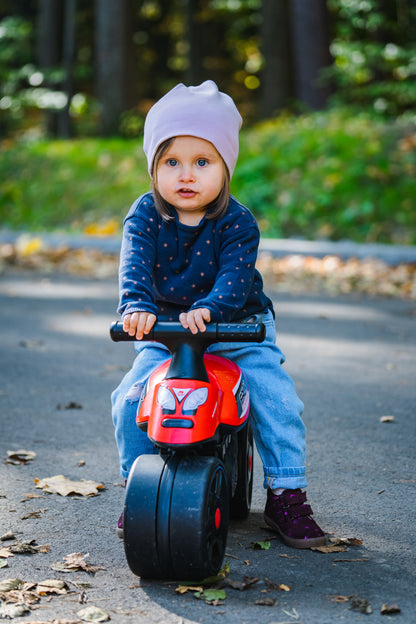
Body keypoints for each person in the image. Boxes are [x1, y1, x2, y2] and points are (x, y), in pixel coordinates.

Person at [111, 80, 326, 549]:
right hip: (167, 332)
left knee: (278, 401)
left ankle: (287, 493)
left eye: (202, 162)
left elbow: (233, 277)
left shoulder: (237, 221)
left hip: (237, 328)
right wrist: (136, 308)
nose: (186, 176)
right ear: (154, 168)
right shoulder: (145, 214)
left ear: (225, 168)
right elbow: (134, 266)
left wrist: (211, 309)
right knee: (130, 401)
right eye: (171, 163)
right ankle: (140, 490)